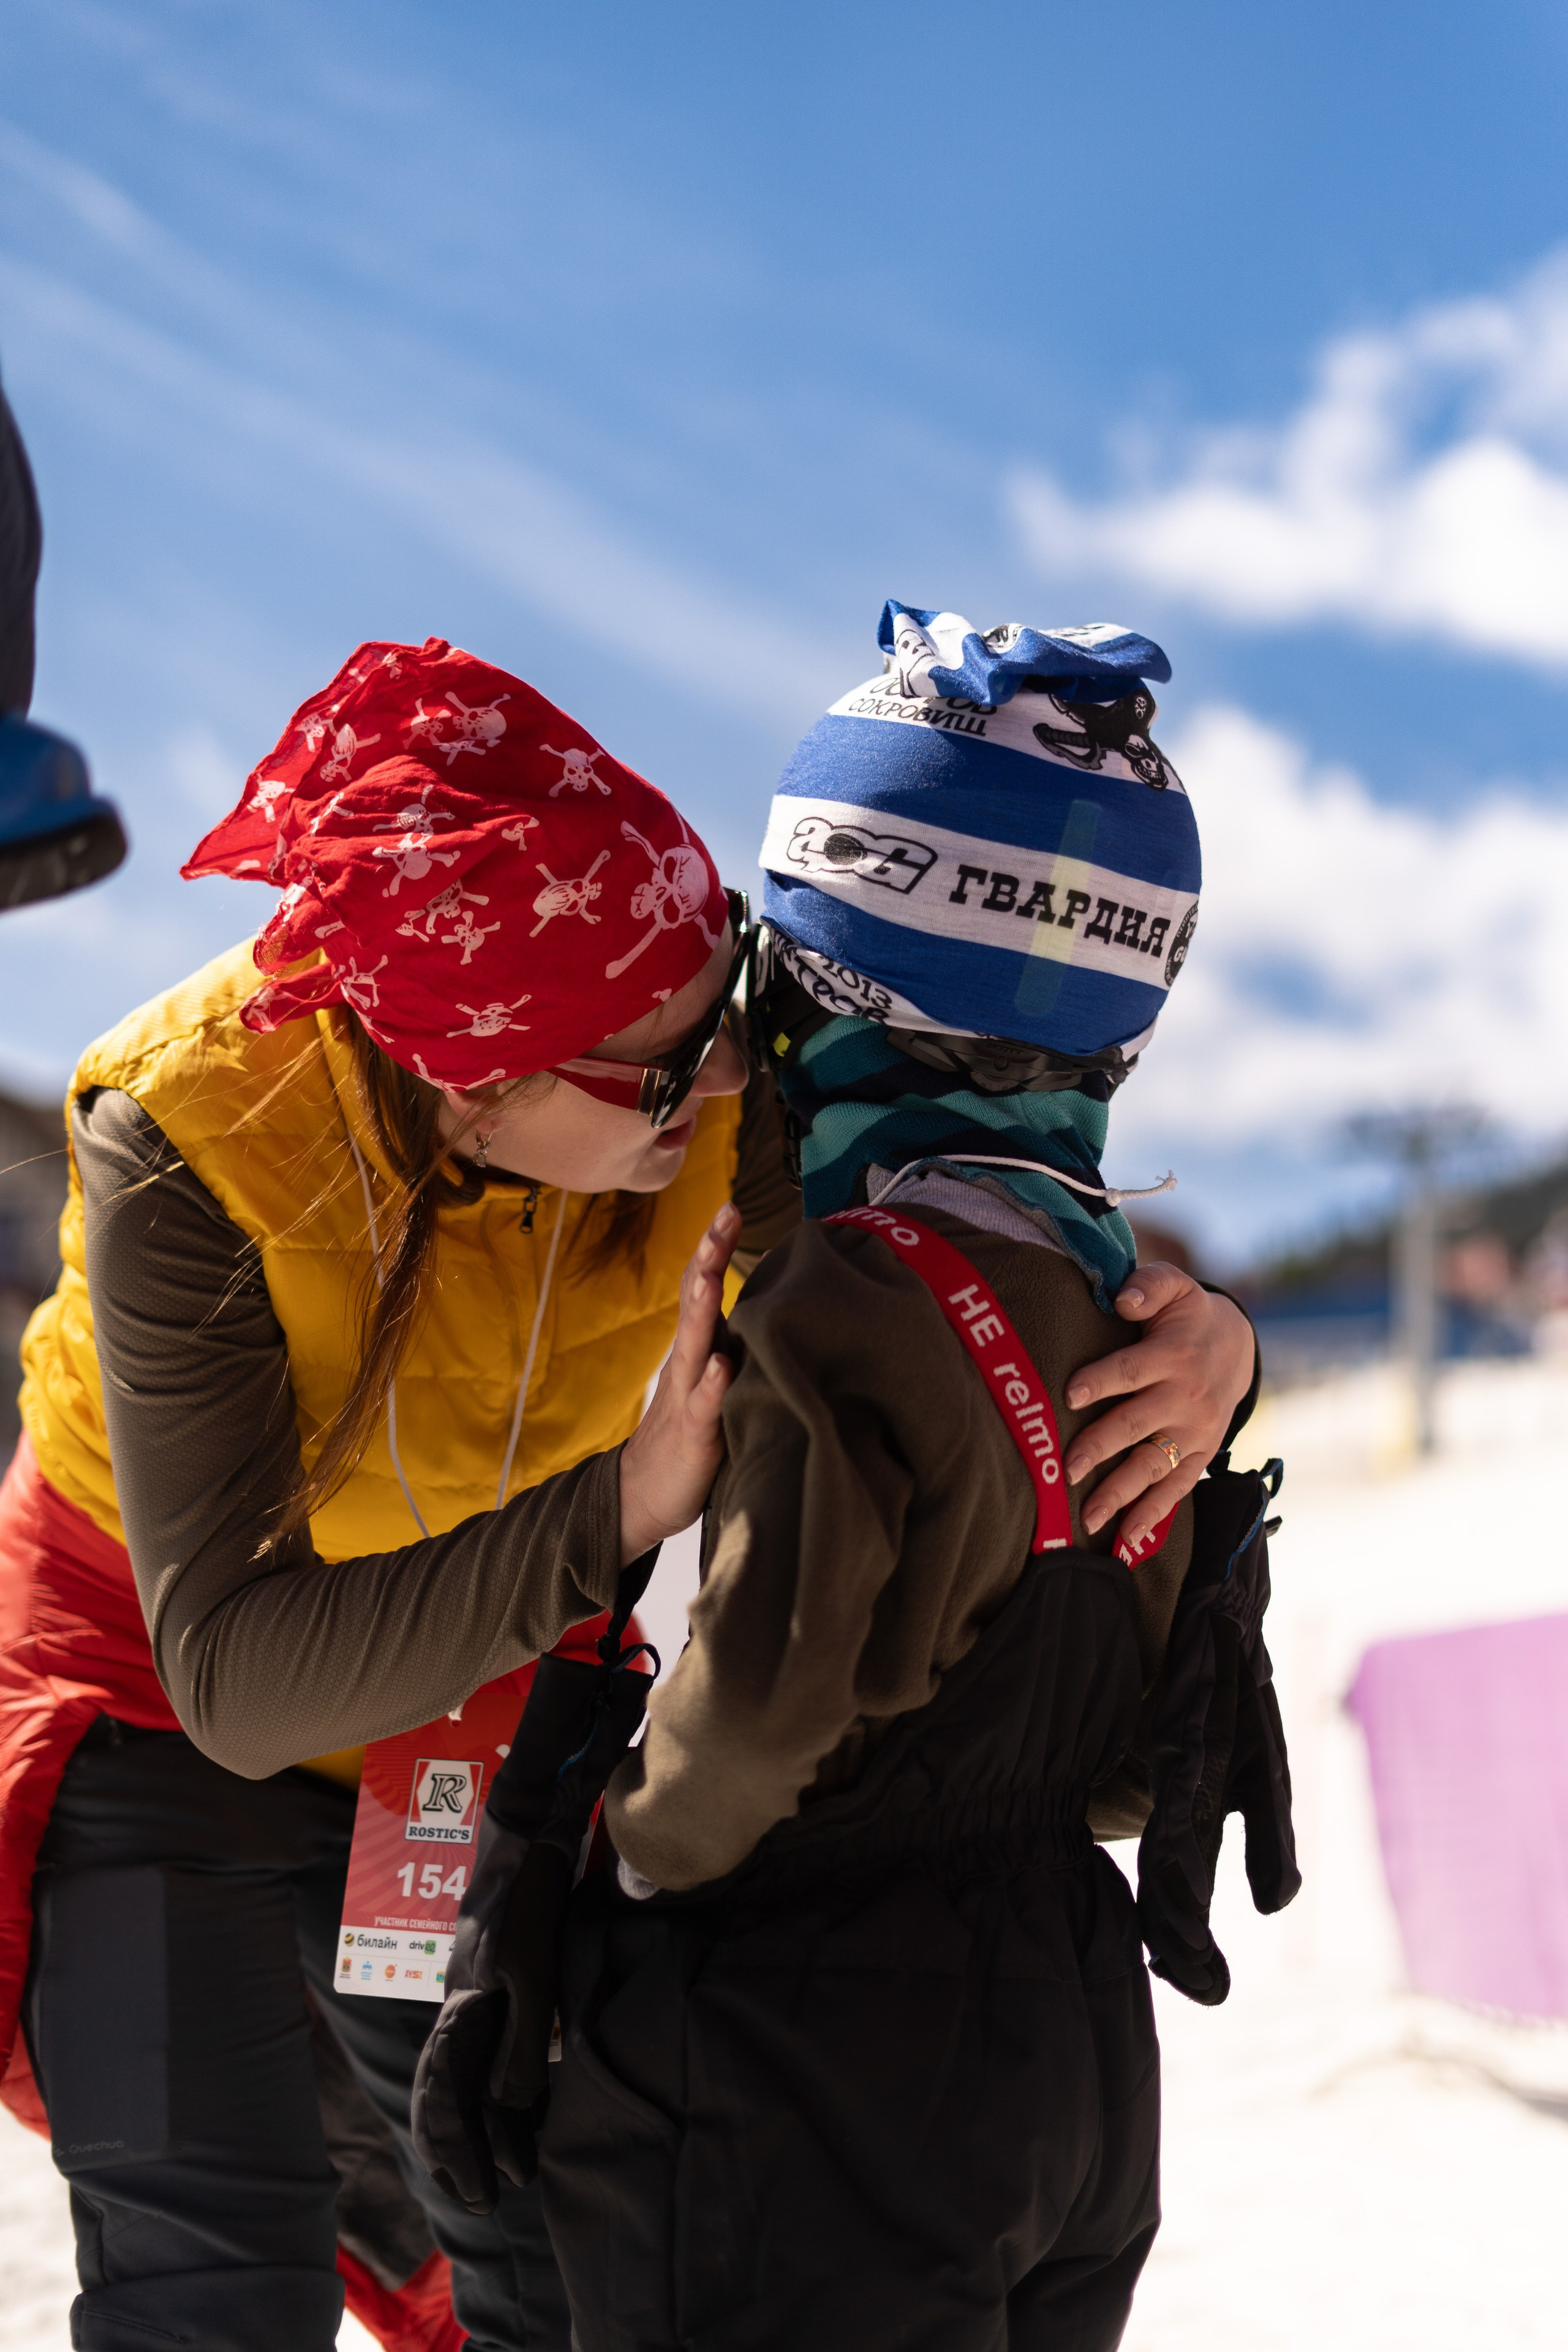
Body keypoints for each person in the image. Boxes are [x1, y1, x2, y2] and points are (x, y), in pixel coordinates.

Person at [0, 625, 1256, 2352]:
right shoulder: (197, 1131)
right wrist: (622, 1505)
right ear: (474, 1080)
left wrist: (1208, 1342)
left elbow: (975, 1222)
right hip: (163, 1688)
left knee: (522, 2241)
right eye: (666, 1074)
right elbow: (236, 1674)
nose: (730, 1082)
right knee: (210, 2258)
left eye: (729, 1014)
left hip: (467, 1689)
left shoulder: (685, 1055)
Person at [529, 606, 1284, 2351]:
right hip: (1075, 2034)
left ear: (825, 976)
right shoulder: (1143, 1306)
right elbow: (1133, 1752)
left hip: (813, 2037)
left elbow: (772, 1682)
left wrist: (636, 1857)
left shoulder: (848, 1301)